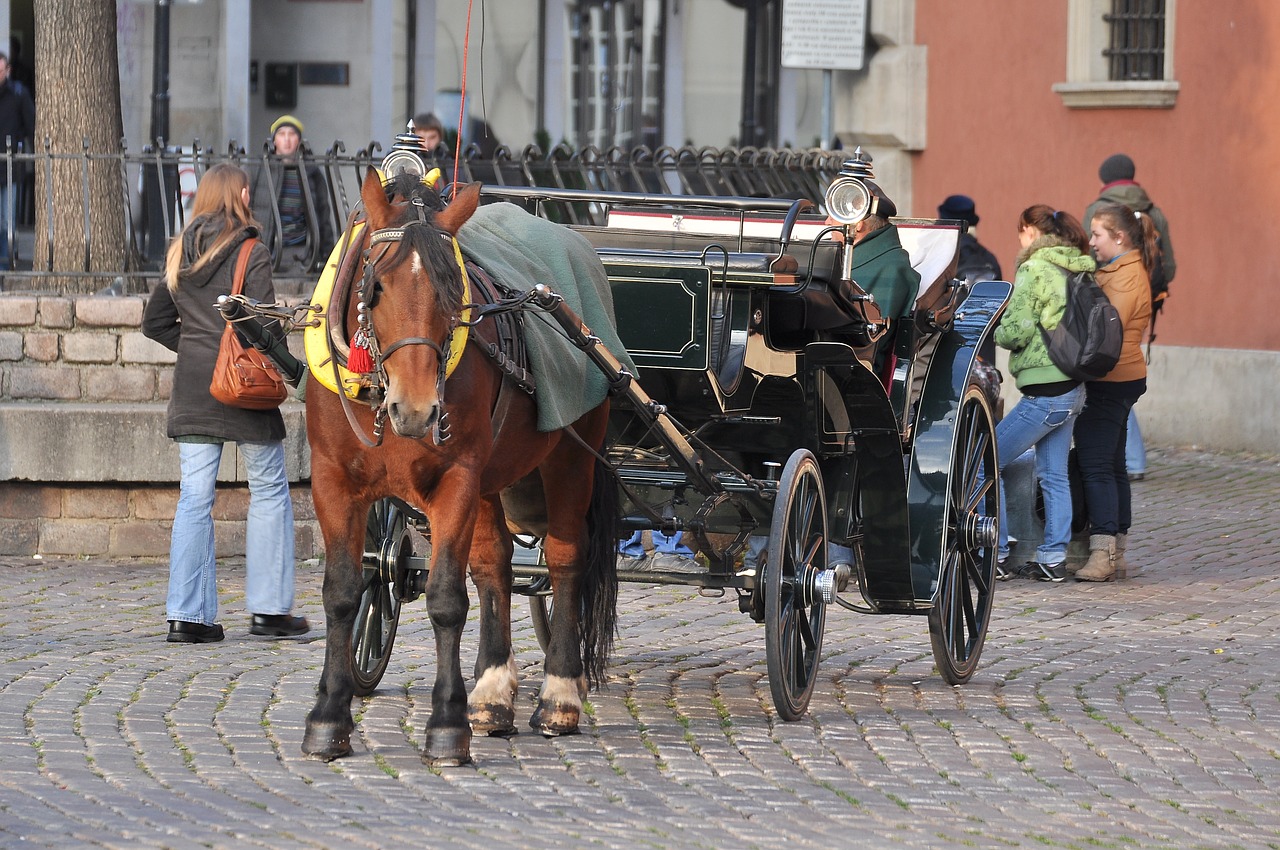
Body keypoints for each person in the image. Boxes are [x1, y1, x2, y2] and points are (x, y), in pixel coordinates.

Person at [142, 163, 309, 642]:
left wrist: (198, 348)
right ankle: (270, 612)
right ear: (238, 193)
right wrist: (296, 373)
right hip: (242, 388)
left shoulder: (180, 250)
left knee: (195, 497)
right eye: (247, 188)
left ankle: (187, 618)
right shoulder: (251, 250)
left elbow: (154, 323)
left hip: (194, 386)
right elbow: (262, 330)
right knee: (270, 488)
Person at [992, 206, 1094, 582]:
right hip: (1072, 389)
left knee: (984, 460)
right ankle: (1053, 558)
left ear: (1031, 231)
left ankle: (997, 552)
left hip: (1046, 392)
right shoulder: (1077, 266)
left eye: (1020, 232)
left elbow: (1014, 331)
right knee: (1053, 475)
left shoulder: (1035, 269)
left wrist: (996, 327)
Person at [1072, 203, 1156, 582]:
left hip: (1112, 377)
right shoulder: (1122, 270)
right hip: (1121, 375)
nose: (1092, 242)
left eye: (1098, 235)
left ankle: (1103, 553)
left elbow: (1105, 327)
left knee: (1096, 464)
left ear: (1119, 237)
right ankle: (1117, 548)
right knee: (1113, 463)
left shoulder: (1126, 276)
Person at [1084, 154, 1175, 481]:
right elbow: (1171, 268)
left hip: (1109, 300)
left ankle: (1131, 460)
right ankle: (1132, 459)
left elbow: (1087, 260)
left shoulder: (1098, 211)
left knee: (1113, 373)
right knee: (1123, 372)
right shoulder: (1154, 211)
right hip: (1144, 299)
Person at [248, 115, 334, 273]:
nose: (286, 140)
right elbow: (248, 206)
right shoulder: (260, 169)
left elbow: (323, 214)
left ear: (299, 141)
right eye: (281, 134)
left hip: (302, 251)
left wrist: (328, 255)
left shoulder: (311, 170)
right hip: (267, 248)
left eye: (292, 134)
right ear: (274, 141)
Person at [0, 52, 34, 268]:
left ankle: (5, 266)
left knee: (8, 222)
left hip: (11, 168)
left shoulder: (19, 94)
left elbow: (31, 125)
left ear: (8, 71)